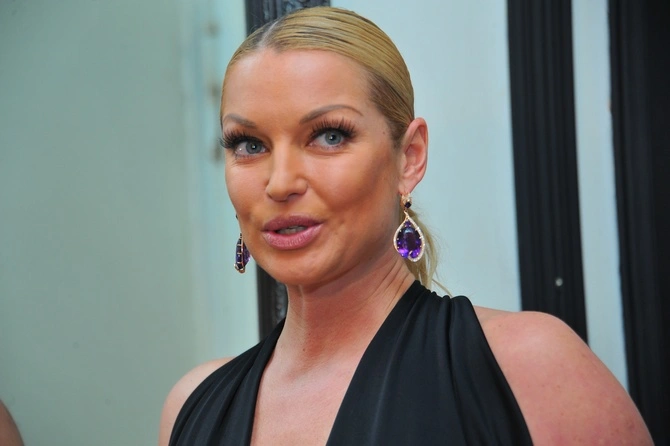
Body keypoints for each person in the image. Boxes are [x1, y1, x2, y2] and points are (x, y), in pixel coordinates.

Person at [159, 6, 652, 445]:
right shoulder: (192, 407)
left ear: (409, 157)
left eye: (329, 136)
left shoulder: (527, 367)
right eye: (249, 145)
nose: (281, 182)